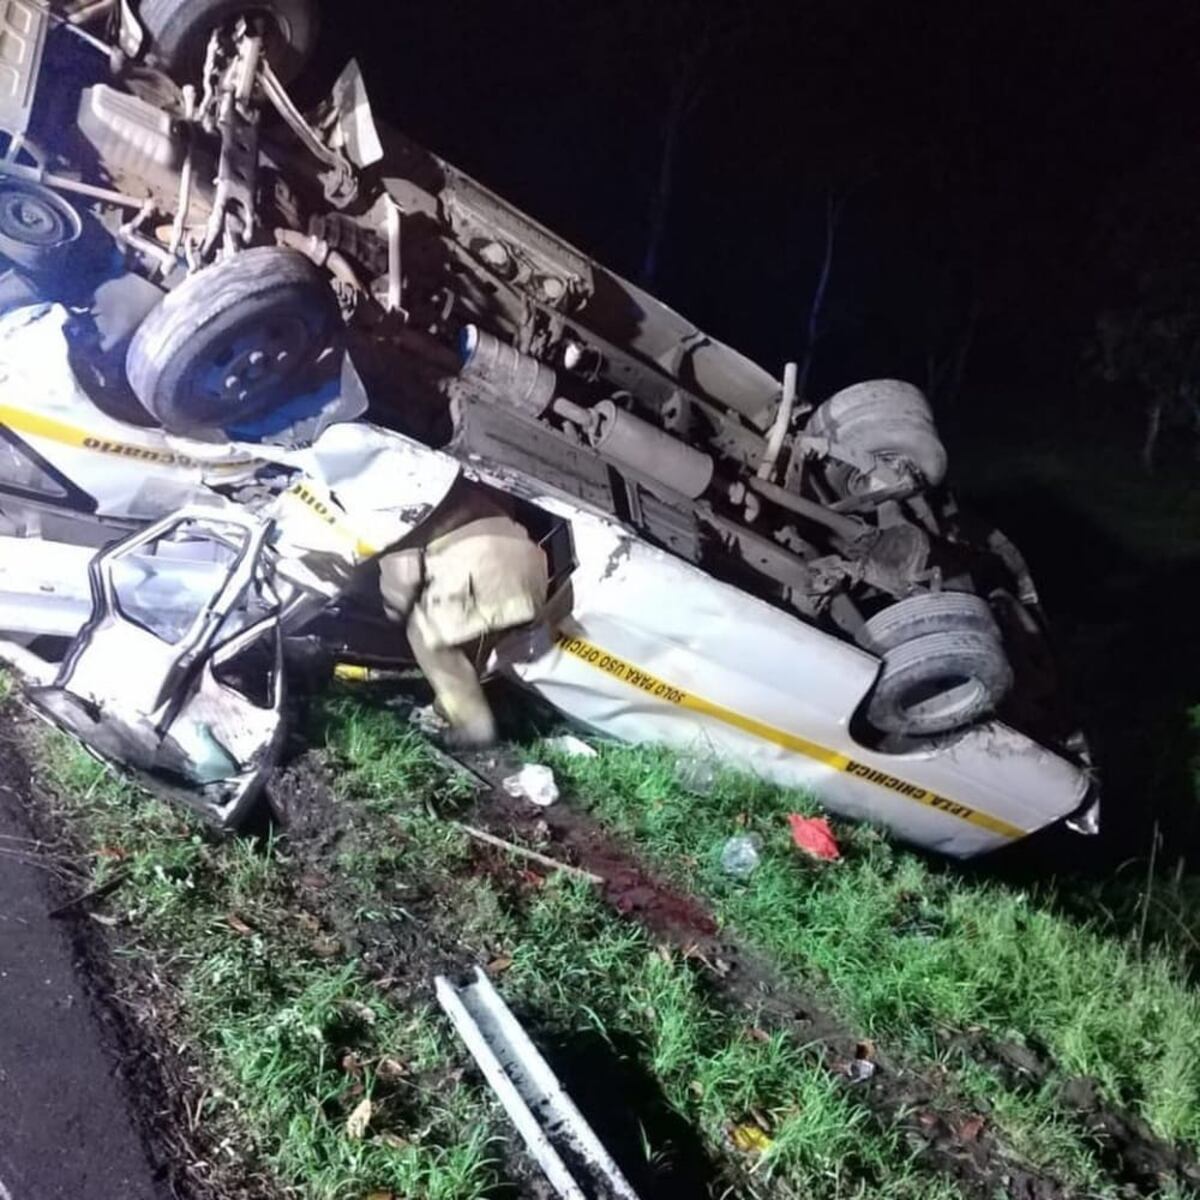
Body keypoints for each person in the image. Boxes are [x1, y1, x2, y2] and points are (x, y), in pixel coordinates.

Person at [378, 480, 549, 747]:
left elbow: (403, 579)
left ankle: (474, 728)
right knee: (467, 643)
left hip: (480, 566)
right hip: (531, 570)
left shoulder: (393, 508)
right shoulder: (450, 486)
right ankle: (447, 709)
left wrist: (395, 612)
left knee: (426, 633)